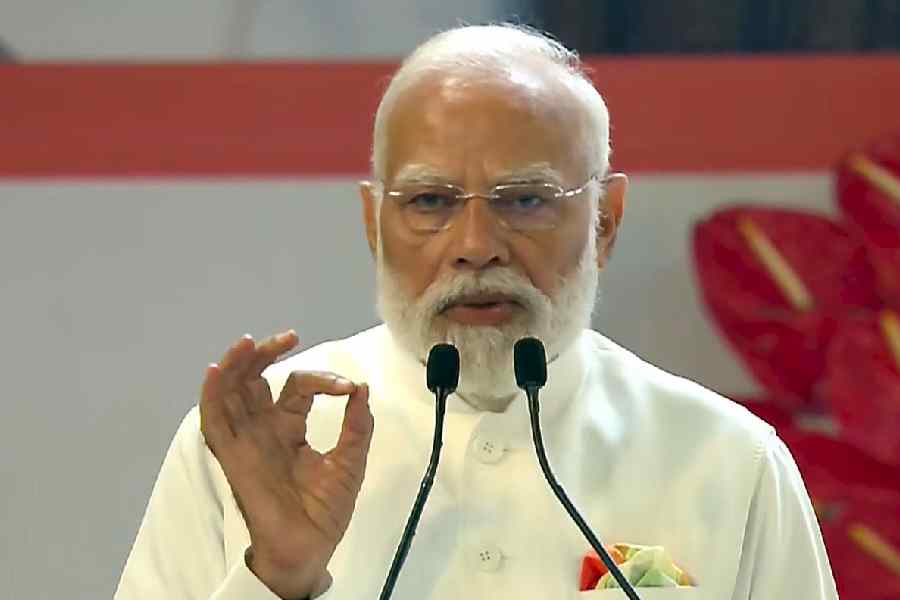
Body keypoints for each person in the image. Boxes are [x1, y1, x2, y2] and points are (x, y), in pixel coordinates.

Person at [116, 24, 838, 600]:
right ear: (374, 225)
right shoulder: (255, 448)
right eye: (429, 202)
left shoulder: (726, 461)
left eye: (524, 200)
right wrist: (277, 577)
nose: (474, 246)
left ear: (606, 222)